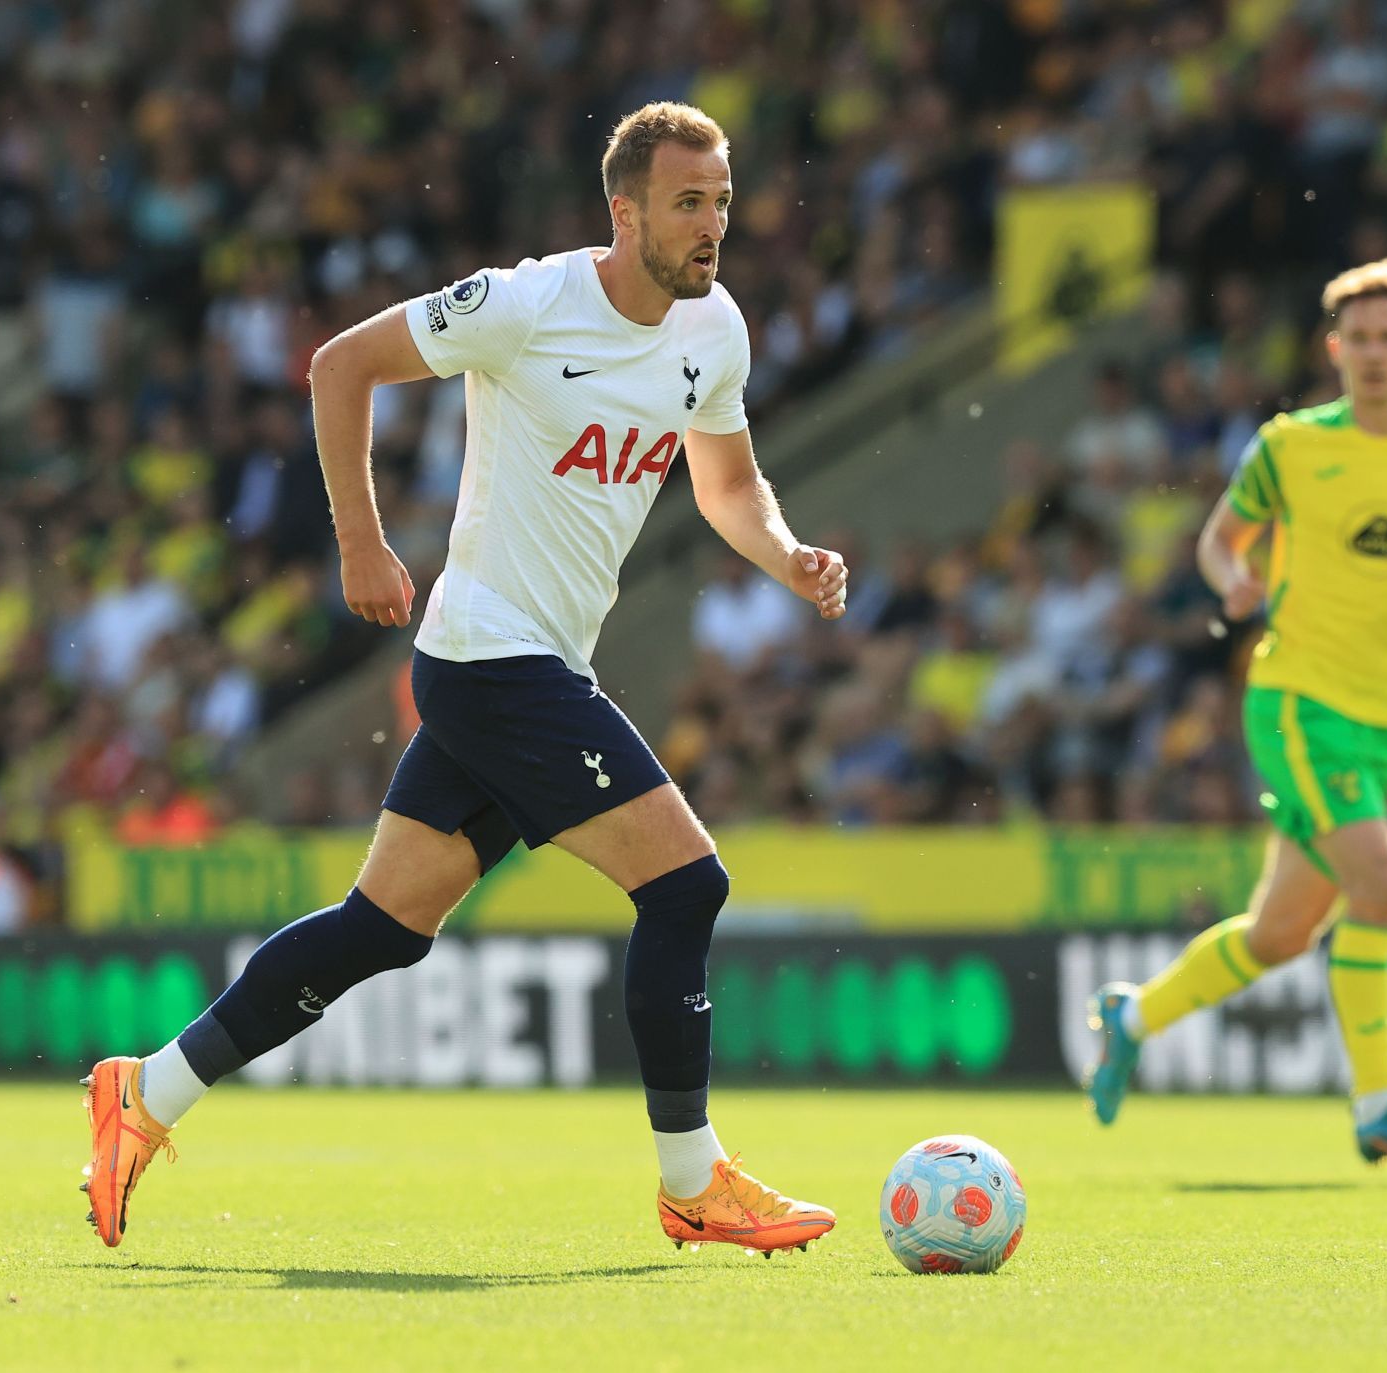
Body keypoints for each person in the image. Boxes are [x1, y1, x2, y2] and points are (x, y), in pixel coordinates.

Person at [80, 103, 848, 1253]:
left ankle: (147, 1091)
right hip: (492, 656)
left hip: (532, 661)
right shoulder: (529, 303)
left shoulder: (714, 328)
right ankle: (694, 1180)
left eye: (723, 202)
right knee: (686, 886)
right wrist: (359, 543)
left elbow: (727, 485)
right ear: (624, 208)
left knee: (379, 926)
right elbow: (341, 366)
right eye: (689, 203)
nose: (713, 225)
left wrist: (786, 554)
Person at [1087, 259, 1387, 1162]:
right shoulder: (1290, 445)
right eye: (1357, 338)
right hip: (1296, 701)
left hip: (1385, 722)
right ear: (1335, 350)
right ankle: (1380, 1108)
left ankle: (1134, 1015)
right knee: (1385, 882)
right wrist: (1232, 579)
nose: (1373, 353)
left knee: (1282, 932)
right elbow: (1218, 540)